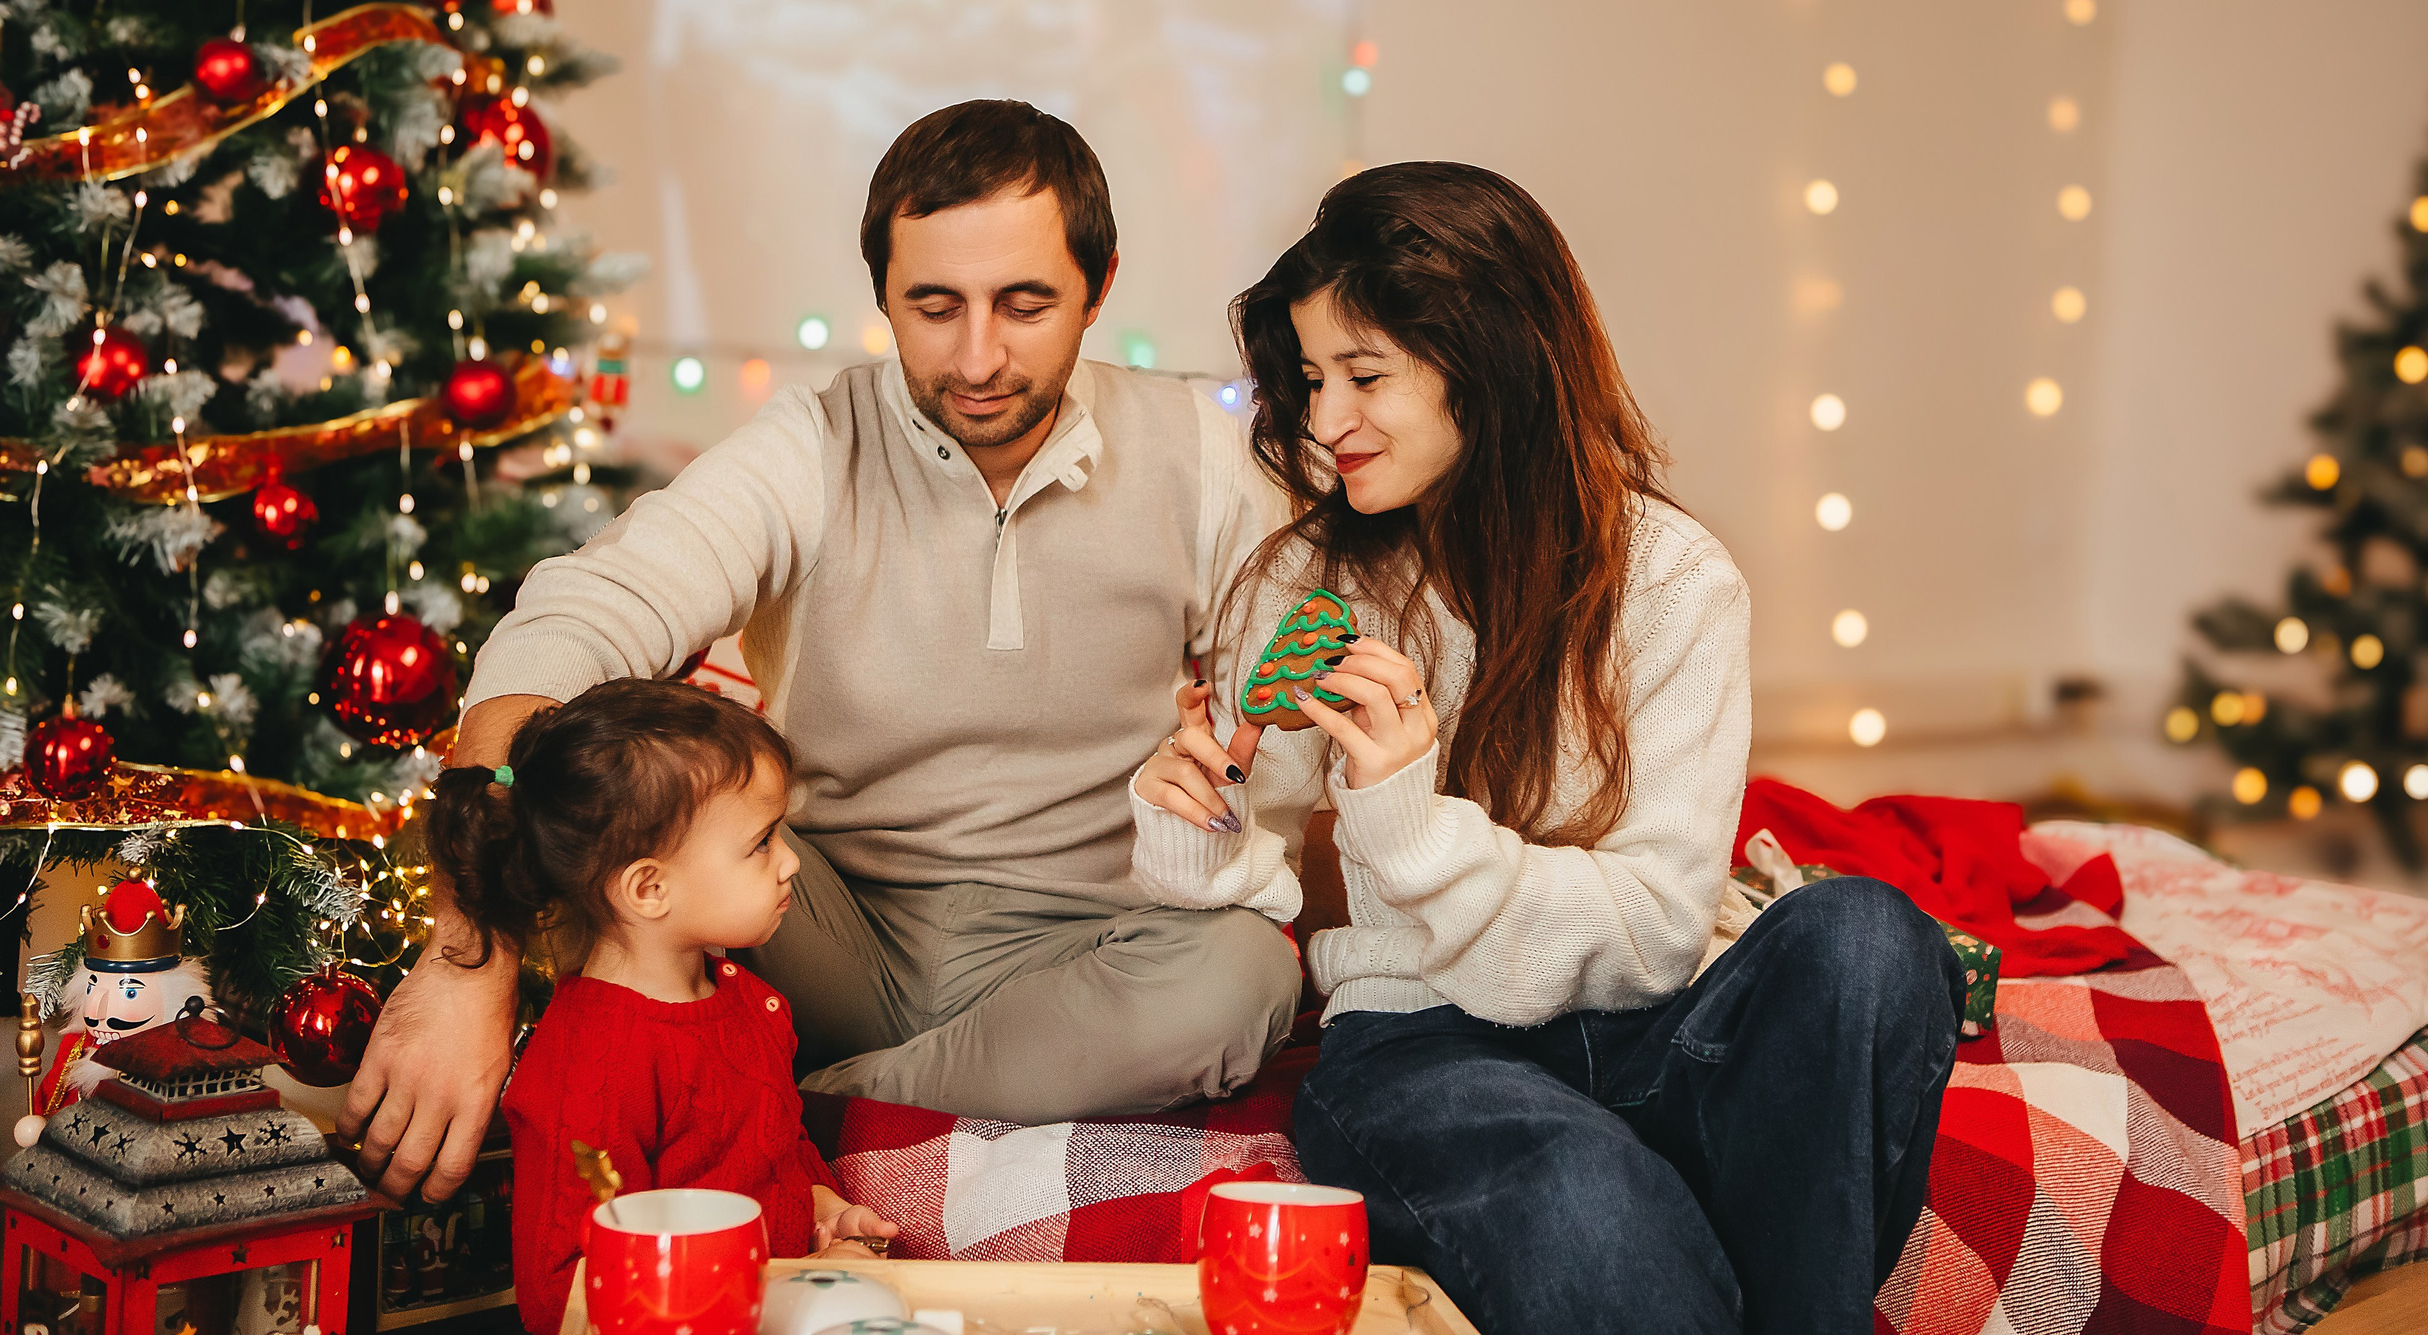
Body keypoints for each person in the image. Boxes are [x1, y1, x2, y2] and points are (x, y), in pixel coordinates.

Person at [344, 100, 1302, 1202]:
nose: (977, 357)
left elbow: (1270, 755)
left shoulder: (1201, 452)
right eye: (932, 307)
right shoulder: (811, 445)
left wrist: (1218, 798)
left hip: (1098, 946)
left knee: (1243, 978)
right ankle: (914, 1076)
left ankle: (824, 1094)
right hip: (818, 926)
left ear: (1102, 283)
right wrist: (471, 955)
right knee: (639, 831)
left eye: (1025, 304)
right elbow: (575, 620)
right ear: (882, 293)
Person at [1131, 163, 1965, 1335]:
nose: (1323, 422)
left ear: (1492, 361)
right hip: (1419, 1046)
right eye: (1313, 380)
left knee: (1872, 937)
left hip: (1650, 1028)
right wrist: (1190, 811)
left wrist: (1411, 824)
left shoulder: (1673, 583)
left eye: (1364, 376)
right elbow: (1243, 855)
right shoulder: (1305, 582)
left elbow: (1650, 935)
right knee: (1585, 1196)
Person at [425, 680, 898, 1335]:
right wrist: (785, 1289)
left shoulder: (742, 997)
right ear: (649, 887)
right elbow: (562, 1296)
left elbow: (773, 1151)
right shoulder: (592, 1068)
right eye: (760, 842)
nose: (790, 861)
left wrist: (823, 1209)